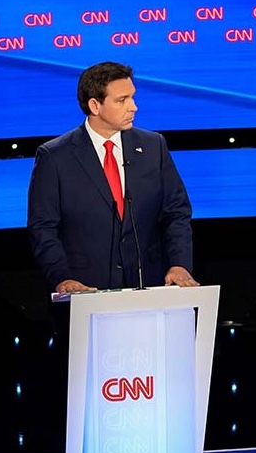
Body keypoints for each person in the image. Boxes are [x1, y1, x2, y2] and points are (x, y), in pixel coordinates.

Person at [27, 61, 198, 294]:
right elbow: (43, 228)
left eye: (133, 97)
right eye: (122, 100)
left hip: (150, 287)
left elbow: (177, 212)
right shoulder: (54, 157)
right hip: (85, 291)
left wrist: (179, 264)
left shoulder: (153, 146)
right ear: (95, 105)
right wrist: (61, 278)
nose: (133, 107)